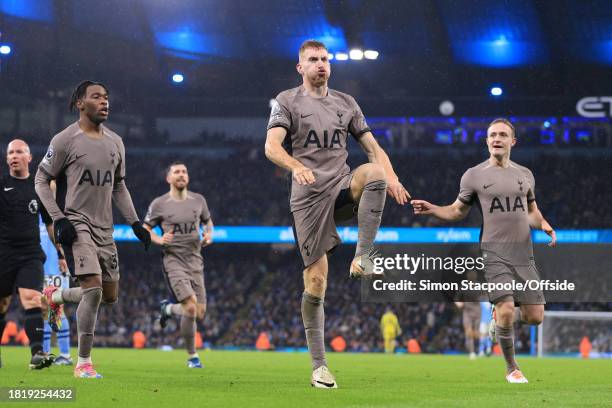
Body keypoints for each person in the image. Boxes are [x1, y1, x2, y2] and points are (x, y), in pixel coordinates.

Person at [264, 39, 410, 388]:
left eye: (325, 59)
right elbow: (271, 146)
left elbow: (374, 149)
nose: (321, 64)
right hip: (308, 198)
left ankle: (364, 256)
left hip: (342, 188)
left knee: (373, 172)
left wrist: (393, 178)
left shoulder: (347, 103)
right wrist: (295, 165)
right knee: (316, 281)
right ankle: (319, 367)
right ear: (300, 67)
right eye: (313, 59)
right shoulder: (287, 101)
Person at [411, 118, 556, 383]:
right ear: (487, 141)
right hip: (493, 253)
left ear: (513, 141)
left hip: (524, 254)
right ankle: (512, 369)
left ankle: (500, 323)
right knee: (505, 307)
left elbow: (532, 212)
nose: (497, 139)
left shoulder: (525, 175)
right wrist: (433, 208)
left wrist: (544, 224)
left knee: (534, 317)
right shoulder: (474, 175)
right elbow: (457, 210)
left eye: (502, 134)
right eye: (492, 135)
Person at [35, 80, 151, 379]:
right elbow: (40, 180)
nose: (104, 102)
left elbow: (120, 185)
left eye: (107, 97)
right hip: (76, 223)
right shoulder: (64, 140)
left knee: (108, 295)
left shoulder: (116, 142)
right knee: (94, 288)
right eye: (96, 97)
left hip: (105, 227)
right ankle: (83, 363)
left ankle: (56, 295)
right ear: (80, 103)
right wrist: (59, 219)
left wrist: (136, 222)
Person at [143, 162, 213, 368]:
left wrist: (209, 234)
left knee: (199, 312)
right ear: (168, 178)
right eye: (176, 172)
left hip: (195, 260)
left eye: (184, 172)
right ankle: (193, 357)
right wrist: (159, 240)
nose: (181, 175)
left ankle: (169, 310)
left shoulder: (199, 200)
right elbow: (145, 229)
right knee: (190, 307)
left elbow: (208, 222)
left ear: (188, 177)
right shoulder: (159, 204)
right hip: (173, 260)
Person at [0, 139, 56, 369]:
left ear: (29, 157)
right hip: (3, 253)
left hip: (31, 252)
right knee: (2, 304)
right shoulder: (1, 184)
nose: (14, 156)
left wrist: (61, 253)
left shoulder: (38, 187)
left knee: (32, 298)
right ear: (6, 159)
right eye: (10, 153)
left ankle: (37, 354)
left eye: (19, 152)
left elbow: (50, 222)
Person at [40, 181, 73, 365]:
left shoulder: (63, 210)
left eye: (53, 182)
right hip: (40, 267)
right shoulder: (38, 211)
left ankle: (64, 355)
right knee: (45, 310)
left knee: (55, 309)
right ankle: (46, 354)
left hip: (58, 268)